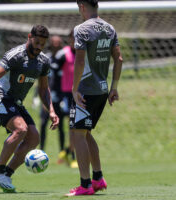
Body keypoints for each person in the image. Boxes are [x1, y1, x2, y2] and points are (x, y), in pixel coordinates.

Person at [0, 25, 59, 193]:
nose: (39, 47)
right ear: (29, 37)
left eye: (42, 44)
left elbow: (43, 89)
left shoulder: (43, 61)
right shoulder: (15, 55)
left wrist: (51, 110)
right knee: (21, 129)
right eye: (36, 42)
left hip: (15, 101)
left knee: (34, 138)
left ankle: (6, 174)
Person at [65, 0, 123, 196]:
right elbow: (119, 59)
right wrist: (114, 87)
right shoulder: (110, 28)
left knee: (78, 134)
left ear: (81, 6)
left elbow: (80, 60)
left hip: (85, 90)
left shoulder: (81, 29)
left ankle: (85, 184)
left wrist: (74, 89)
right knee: (86, 133)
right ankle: (98, 179)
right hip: (102, 89)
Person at [54, 30, 78, 168]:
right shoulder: (62, 54)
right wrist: (55, 94)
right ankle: (73, 157)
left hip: (80, 94)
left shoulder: (84, 53)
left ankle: (67, 151)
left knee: (78, 126)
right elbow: (53, 76)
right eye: (73, 38)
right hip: (66, 95)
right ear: (69, 39)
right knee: (72, 125)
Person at [38, 36, 65, 155]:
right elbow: (41, 80)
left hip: (60, 96)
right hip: (47, 96)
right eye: (53, 43)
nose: (55, 45)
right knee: (43, 123)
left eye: (58, 43)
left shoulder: (64, 58)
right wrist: (37, 96)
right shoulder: (45, 58)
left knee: (62, 124)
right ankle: (41, 150)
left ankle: (62, 153)